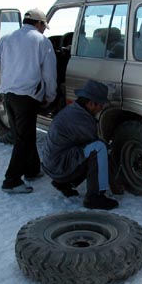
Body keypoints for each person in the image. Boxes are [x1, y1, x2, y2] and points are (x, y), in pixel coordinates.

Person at [0, 8, 57, 194]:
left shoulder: (7, 39)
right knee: (24, 138)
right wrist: (50, 96)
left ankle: (32, 170)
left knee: (23, 135)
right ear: (39, 24)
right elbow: (49, 74)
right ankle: (11, 181)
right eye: (44, 26)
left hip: (8, 95)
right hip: (27, 97)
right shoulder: (42, 41)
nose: (44, 30)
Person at [42, 80, 119, 210]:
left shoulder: (74, 110)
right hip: (59, 166)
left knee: (88, 151)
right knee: (99, 148)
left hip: (53, 164)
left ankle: (66, 183)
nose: (102, 108)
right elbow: (98, 156)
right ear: (90, 103)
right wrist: (115, 183)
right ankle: (95, 198)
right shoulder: (81, 119)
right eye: (100, 105)